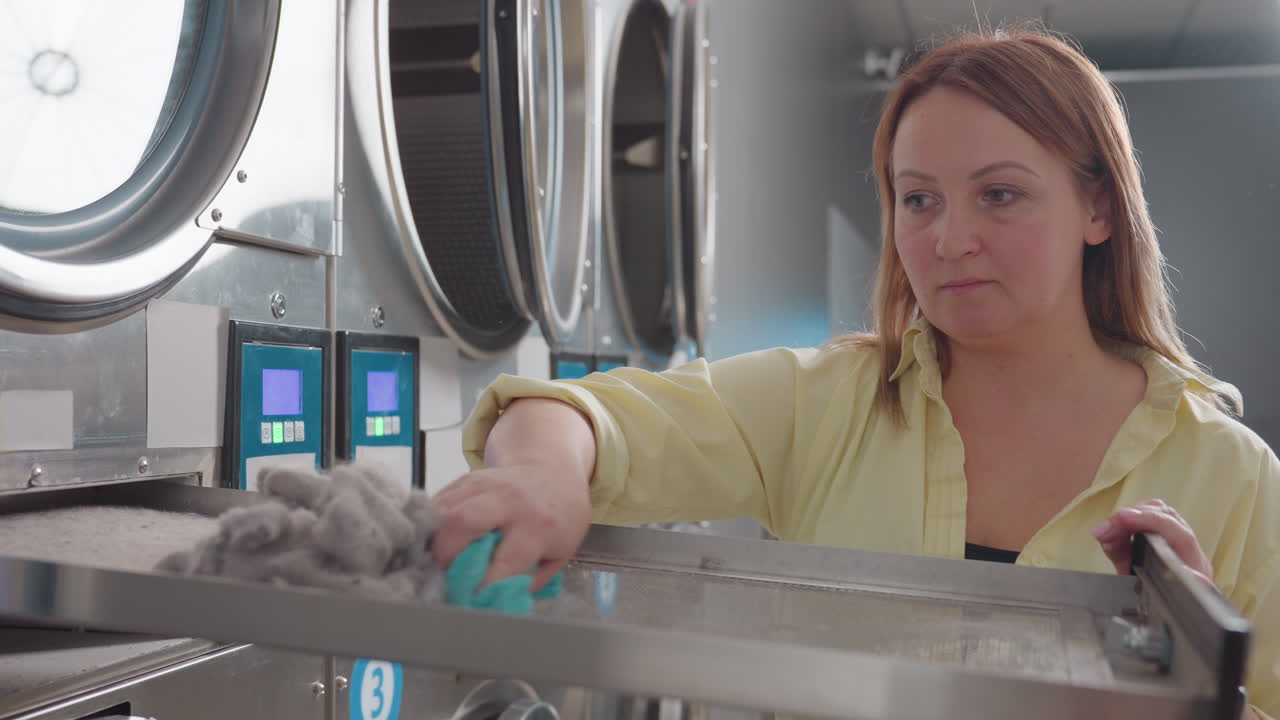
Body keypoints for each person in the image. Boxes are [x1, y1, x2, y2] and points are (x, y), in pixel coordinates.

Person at [431, 27, 1278, 720]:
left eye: (1001, 194)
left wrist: (1202, 681)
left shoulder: (1233, 477)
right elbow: (573, 414)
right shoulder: (827, 406)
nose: (948, 241)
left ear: (1098, 208)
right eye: (919, 199)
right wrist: (546, 476)